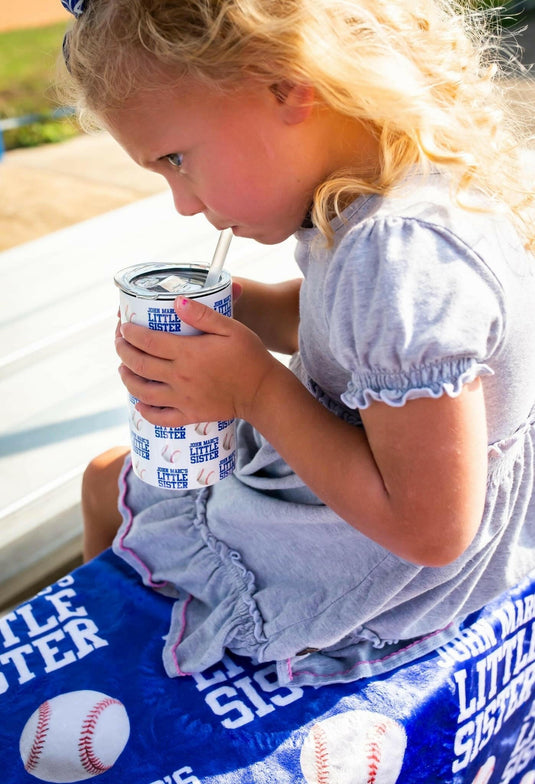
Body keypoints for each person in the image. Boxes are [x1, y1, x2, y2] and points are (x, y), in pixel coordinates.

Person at [60, 0, 535, 687]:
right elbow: (346, 337)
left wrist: (252, 388)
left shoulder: (396, 257)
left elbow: (431, 531)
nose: (182, 204)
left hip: (376, 576)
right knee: (109, 478)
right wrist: (243, 312)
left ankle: (118, 682)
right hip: (363, 503)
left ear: (285, 84)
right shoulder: (390, 192)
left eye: (176, 159)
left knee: (110, 485)